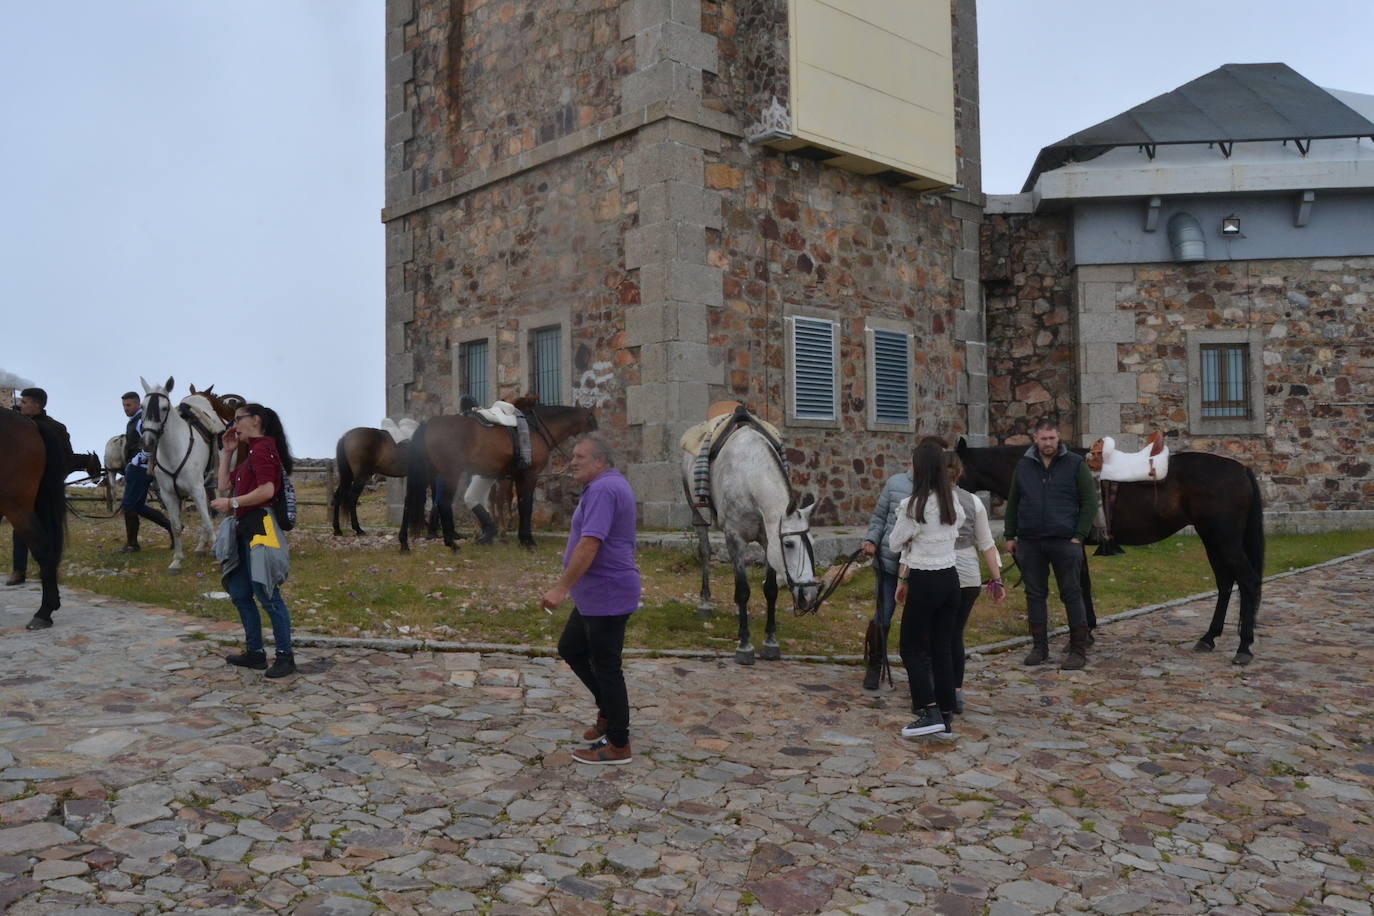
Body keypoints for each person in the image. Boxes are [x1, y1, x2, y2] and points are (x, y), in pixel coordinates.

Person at [540, 433, 640, 765]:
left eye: (580, 457)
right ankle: (608, 713)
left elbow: (590, 544)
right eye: (573, 456)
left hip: (607, 594)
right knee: (571, 648)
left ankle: (618, 744)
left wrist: (560, 588)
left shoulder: (603, 489)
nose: (572, 462)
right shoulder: (605, 486)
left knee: (608, 667)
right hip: (596, 595)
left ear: (600, 461)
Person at [1003, 418, 1099, 670]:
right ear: (1036, 439)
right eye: (1044, 439)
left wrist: (1079, 535)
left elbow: (1089, 501)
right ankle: (1039, 647)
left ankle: (1078, 649)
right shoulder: (1023, 466)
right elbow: (1013, 502)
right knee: (1035, 594)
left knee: (1072, 593)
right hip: (1030, 541)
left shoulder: (1075, 464)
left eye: (1052, 438)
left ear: (1059, 438)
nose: (1048, 443)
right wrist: (1010, 535)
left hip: (1065, 541)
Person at [210, 403, 297, 678]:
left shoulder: (263, 449)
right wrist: (227, 452)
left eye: (238, 419)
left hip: (262, 525)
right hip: (243, 528)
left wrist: (232, 502)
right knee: (240, 591)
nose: (234, 425)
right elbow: (223, 485)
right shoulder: (251, 453)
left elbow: (267, 490)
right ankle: (255, 653)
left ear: (256, 420)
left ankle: (285, 656)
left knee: (267, 592)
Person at [888, 437, 964, 739]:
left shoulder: (913, 505)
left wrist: (908, 534)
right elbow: (955, 530)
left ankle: (927, 710)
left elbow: (894, 542)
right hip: (950, 578)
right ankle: (945, 714)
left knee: (911, 648)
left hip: (925, 578)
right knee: (941, 648)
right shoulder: (952, 502)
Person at [946, 452, 1005, 712]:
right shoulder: (973, 502)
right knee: (955, 634)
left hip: (938, 569)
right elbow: (987, 544)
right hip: (968, 574)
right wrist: (997, 579)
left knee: (936, 633)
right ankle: (956, 691)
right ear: (960, 473)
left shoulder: (925, 500)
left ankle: (936, 688)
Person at [6, 388, 73, 587]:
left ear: (37, 404)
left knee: (45, 529)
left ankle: (48, 570)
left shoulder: (56, 428)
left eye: (25, 402)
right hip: (20, 486)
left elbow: (66, 458)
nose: (21, 405)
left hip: (45, 486)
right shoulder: (15, 427)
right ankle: (19, 569)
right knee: (20, 527)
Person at [860, 463, 912, 690]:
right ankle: (875, 663)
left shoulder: (937, 489)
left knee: (917, 622)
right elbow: (879, 517)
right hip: (889, 563)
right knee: (883, 613)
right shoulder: (895, 483)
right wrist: (871, 539)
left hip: (919, 568)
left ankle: (918, 671)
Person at [116, 390, 174, 553]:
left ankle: (132, 544)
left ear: (137, 404)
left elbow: (150, 443)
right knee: (138, 506)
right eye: (123, 406)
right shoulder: (135, 420)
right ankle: (171, 526)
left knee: (129, 505)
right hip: (138, 467)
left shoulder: (141, 421)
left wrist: (136, 461)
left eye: (128, 405)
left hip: (140, 468)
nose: (125, 409)